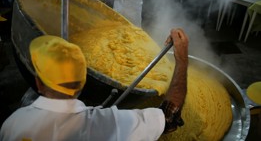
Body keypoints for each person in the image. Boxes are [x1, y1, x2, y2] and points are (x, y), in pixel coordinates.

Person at [0, 28, 188, 141]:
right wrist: (181, 60)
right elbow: (169, 118)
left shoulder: (12, 125)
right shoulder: (101, 126)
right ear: (82, 84)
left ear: (38, 83)